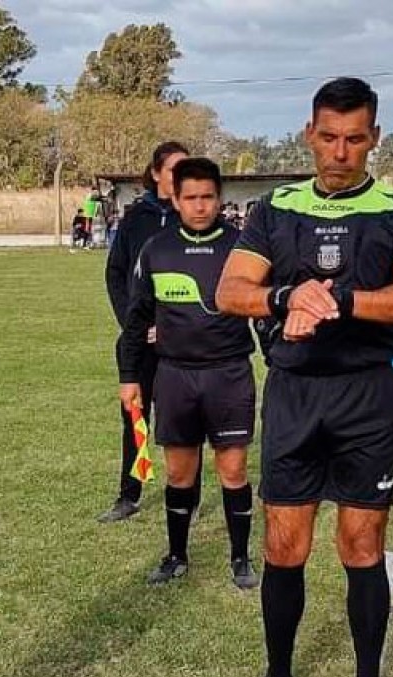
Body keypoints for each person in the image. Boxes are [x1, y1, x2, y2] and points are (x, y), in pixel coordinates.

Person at [216, 77, 393, 677]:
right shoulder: (274, 210)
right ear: (308, 134)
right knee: (284, 545)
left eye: (355, 139)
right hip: (293, 394)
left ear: (374, 139)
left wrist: (342, 301)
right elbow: (232, 290)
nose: (340, 151)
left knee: (361, 546)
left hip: (368, 396)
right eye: (328, 137)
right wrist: (287, 298)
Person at [119, 158, 258, 589]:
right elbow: (136, 319)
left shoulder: (243, 248)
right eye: (191, 198)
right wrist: (129, 377)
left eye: (208, 197)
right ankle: (176, 555)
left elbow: (263, 310)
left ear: (219, 199)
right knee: (180, 474)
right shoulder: (156, 249)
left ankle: (240, 558)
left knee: (233, 470)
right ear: (175, 199)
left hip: (229, 374)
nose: (200, 207)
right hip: (175, 376)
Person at [99, 141, 192, 523]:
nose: (182, 179)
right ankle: (129, 494)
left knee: (185, 420)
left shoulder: (195, 217)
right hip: (140, 340)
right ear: (155, 174)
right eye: (174, 171)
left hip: (183, 341)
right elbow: (115, 273)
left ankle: (188, 494)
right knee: (135, 416)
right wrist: (135, 326)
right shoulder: (137, 218)